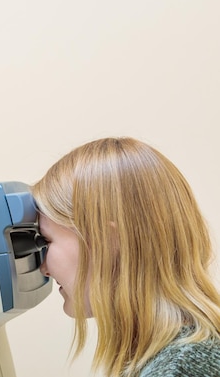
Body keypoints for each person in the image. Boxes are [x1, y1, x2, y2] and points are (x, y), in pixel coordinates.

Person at [32, 137, 220, 377]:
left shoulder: (182, 366)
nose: (43, 267)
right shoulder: (175, 357)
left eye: (47, 241)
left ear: (108, 242)